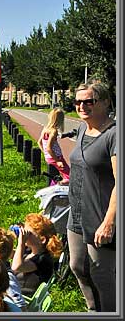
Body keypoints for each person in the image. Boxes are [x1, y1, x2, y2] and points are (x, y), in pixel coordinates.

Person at [67, 82, 116, 312]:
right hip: (76, 213)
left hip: (99, 215)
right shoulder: (81, 130)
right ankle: (92, 309)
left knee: (102, 275)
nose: (82, 106)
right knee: (77, 265)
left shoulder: (113, 134)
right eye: (78, 102)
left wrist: (109, 222)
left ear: (106, 102)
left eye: (89, 101)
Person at [11, 213, 63, 296]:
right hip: (14, 288)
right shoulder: (30, 250)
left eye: (29, 233)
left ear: (42, 239)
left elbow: (16, 267)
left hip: (24, 296)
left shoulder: (43, 259)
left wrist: (21, 243)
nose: (25, 235)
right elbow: (13, 255)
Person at [37, 108, 70, 185]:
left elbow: (39, 142)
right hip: (56, 157)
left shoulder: (45, 129)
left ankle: (54, 185)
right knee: (69, 176)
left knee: (56, 175)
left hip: (49, 157)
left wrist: (46, 154)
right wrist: (57, 160)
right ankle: (58, 187)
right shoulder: (53, 131)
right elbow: (49, 148)